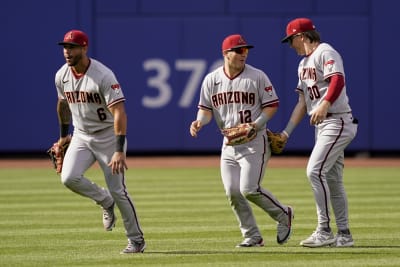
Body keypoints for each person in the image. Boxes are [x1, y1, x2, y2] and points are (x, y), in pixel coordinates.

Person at [189, 34, 293, 247]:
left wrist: (256, 124)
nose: (243, 54)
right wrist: (199, 122)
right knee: (233, 192)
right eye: (238, 50)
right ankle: (252, 235)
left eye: (245, 50)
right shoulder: (211, 79)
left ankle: (284, 214)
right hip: (229, 144)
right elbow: (205, 110)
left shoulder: (257, 76)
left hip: (255, 142)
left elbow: (272, 105)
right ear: (225, 54)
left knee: (249, 189)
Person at [54, 30, 145, 253]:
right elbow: (63, 104)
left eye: (72, 47)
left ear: (84, 48)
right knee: (69, 177)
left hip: (108, 136)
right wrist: (64, 135)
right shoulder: (61, 75)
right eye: (65, 47)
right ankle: (105, 201)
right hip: (82, 135)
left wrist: (118, 150)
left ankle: (136, 240)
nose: (67, 51)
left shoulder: (103, 75)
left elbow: (119, 113)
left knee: (119, 190)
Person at [280, 18, 358, 247]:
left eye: (291, 40)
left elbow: (338, 80)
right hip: (323, 126)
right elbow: (302, 103)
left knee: (314, 171)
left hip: (337, 121)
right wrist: (286, 133)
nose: (290, 44)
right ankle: (344, 234)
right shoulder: (302, 64)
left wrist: (324, 104)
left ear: (301, 36)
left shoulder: (325, 51)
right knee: (333, 180)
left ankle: (324, 230)